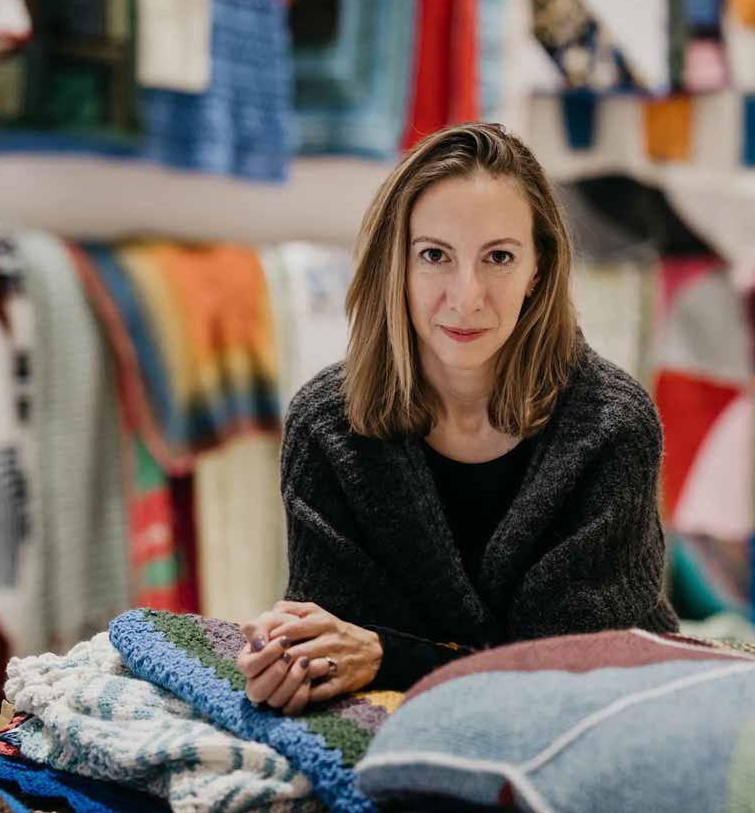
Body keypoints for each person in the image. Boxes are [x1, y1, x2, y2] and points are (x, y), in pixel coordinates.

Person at [236, 122, 677, 715]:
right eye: (435, 256)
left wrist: (389, 657)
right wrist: (288, 664)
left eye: (498, 257)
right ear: (398, 264)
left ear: (537, 271)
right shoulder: (326, 426)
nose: (466, 296)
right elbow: (335, 648)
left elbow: (578, 675)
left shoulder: (612, 428)